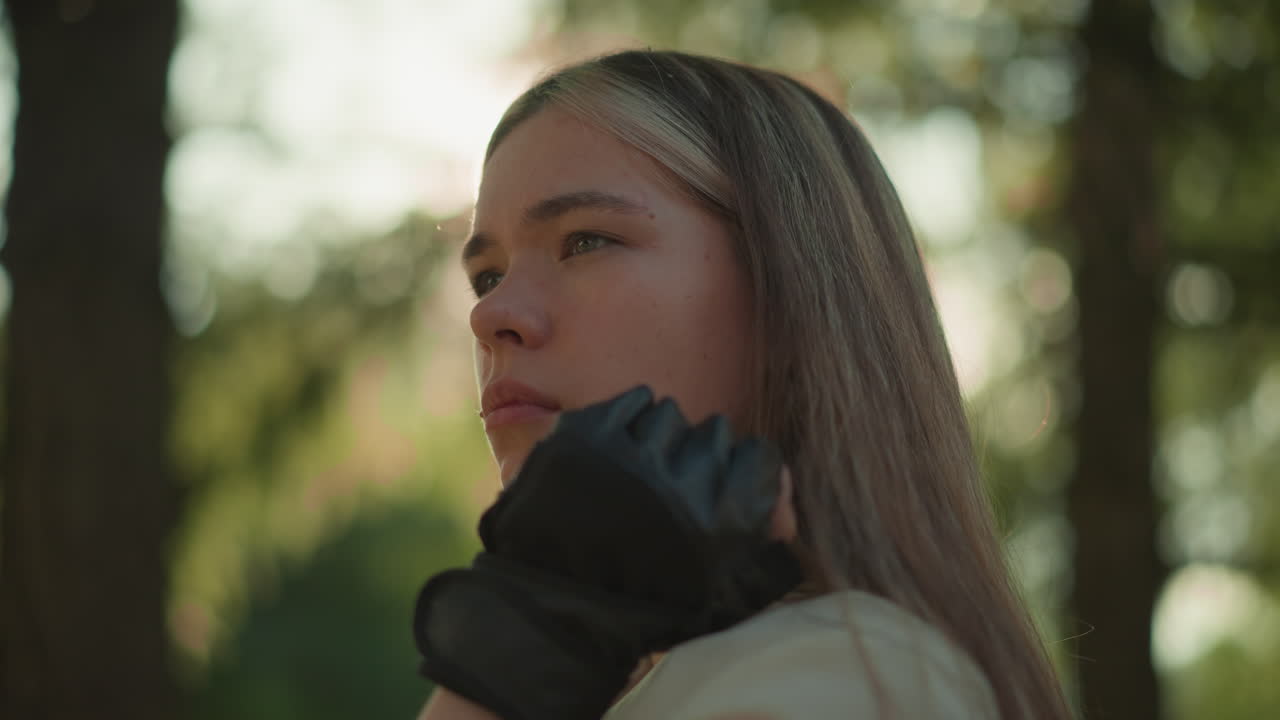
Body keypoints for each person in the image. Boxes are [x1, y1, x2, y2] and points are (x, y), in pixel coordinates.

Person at [411, 49, 1075, 720]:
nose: (488, 314)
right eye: (488, 275)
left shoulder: (845, 678)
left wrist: (514, 653)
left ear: (789, 289)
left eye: (584, 241)